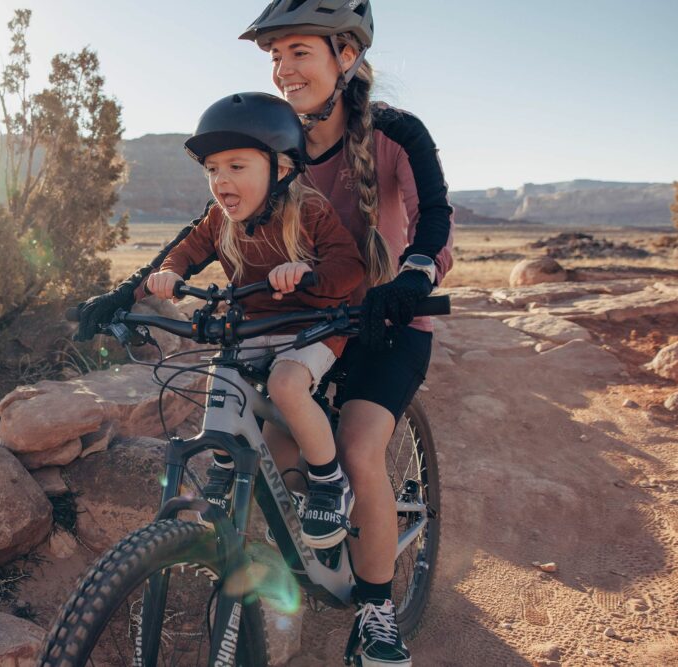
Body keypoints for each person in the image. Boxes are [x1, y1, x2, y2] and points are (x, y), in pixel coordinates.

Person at [74, 2, 454, 665]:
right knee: (277, 439)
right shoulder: (272, 140)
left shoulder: (395, 134)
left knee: (360, 449)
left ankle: (376, 610)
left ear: (347, 55)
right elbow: (203, 228)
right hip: (296, 326)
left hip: (382, 324)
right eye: (274, 56)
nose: (283, 69)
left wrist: (413, 277)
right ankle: (313, 545)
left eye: (298, 51)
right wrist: (128, 288)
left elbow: (433, 216)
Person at [147, 91, 366, 548]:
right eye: (212, 169)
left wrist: (309, 274)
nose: (221, 180)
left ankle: (329, 481)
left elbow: (349, 267)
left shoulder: (309, 210)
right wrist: (170, 271)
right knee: (221, 373)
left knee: (287, 385)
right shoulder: (219, 220)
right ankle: (226, 461)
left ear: (282, 168)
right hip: (254, 327)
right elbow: (188, 249)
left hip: (315, 327)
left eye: (237, 167)